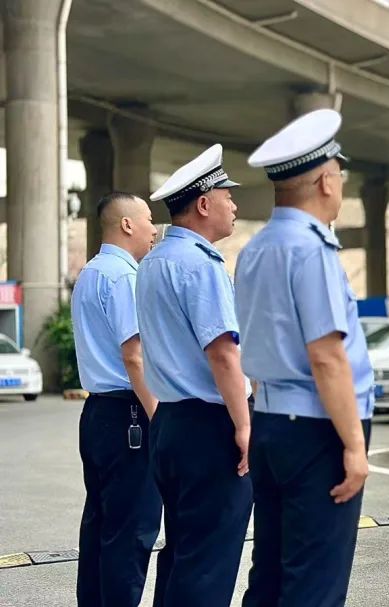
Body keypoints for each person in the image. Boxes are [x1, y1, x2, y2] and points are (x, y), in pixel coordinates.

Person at [237, 108, 372, 607]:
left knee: (270, 575)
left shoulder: (255, 249)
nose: (341, 185)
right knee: (314, 583)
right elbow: (327, 357)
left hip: (272, 423)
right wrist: (354, 447)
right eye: (339, 175)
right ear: (324, 181)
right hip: (317, 431)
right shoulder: (310, 249)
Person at [139, 144, 253, 607]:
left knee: (183, 552)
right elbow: (223, 354)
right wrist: (244, 425)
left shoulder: (152, 262)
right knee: (209, 560)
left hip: (169, 424)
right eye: (228, 196)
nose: (234, 205)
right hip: (210, 426)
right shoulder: (200, 264)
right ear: (204, 203)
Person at [71, 192, 161, 607]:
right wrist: (157, 417)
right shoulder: (124, 276)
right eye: (147, 219)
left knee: (101, 525)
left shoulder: (90, 272)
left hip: (98, 413)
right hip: (130, 415)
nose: (154, 228)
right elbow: (134, 354)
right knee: (131, 531)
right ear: (126, 225)